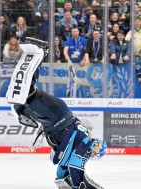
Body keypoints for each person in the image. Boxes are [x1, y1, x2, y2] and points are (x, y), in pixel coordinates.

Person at [6, 42, 107, 189]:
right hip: (58, 116)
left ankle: (21, 106)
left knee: (28, 96)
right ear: (95, 148)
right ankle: (39, 53)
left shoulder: (81, 141)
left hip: (55, 123)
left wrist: (66, 183)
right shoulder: (87, 144)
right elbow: (75, 169)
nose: (91, 156)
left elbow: (62, 174)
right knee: (30, 94)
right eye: (95, 154)